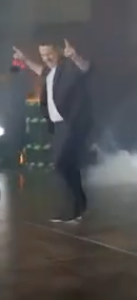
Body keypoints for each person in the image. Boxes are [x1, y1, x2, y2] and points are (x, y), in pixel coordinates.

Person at [13, 39, 92, 222]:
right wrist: (25, 60)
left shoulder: (68, 69)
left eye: (49, 54)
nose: (46, 58)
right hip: (57, 127)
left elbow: (86, 69)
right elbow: (40, 70)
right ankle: (78, 206)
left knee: (61, 164)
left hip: (71, 125)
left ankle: (73, 208)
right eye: (43, 55)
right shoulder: (50, 72)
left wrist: (75, 57)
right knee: (69, 166)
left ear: (59, 52)